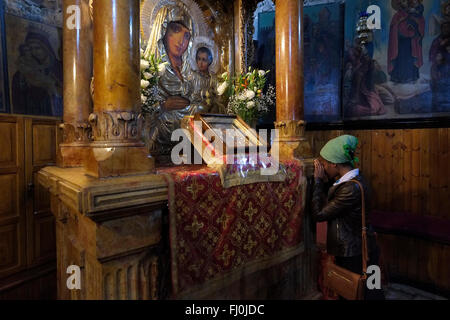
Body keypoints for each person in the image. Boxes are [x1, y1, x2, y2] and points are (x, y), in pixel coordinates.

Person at [312, 135, 385, 300]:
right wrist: (324, 181)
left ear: (334, 164)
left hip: (353, 252)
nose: (322, 167)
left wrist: (317, 181)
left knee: (357, 293)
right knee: (370, 290)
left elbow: (319, 214)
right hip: (362, 248)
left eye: (324, 164)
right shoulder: (354, 180)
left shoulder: (350, 189)